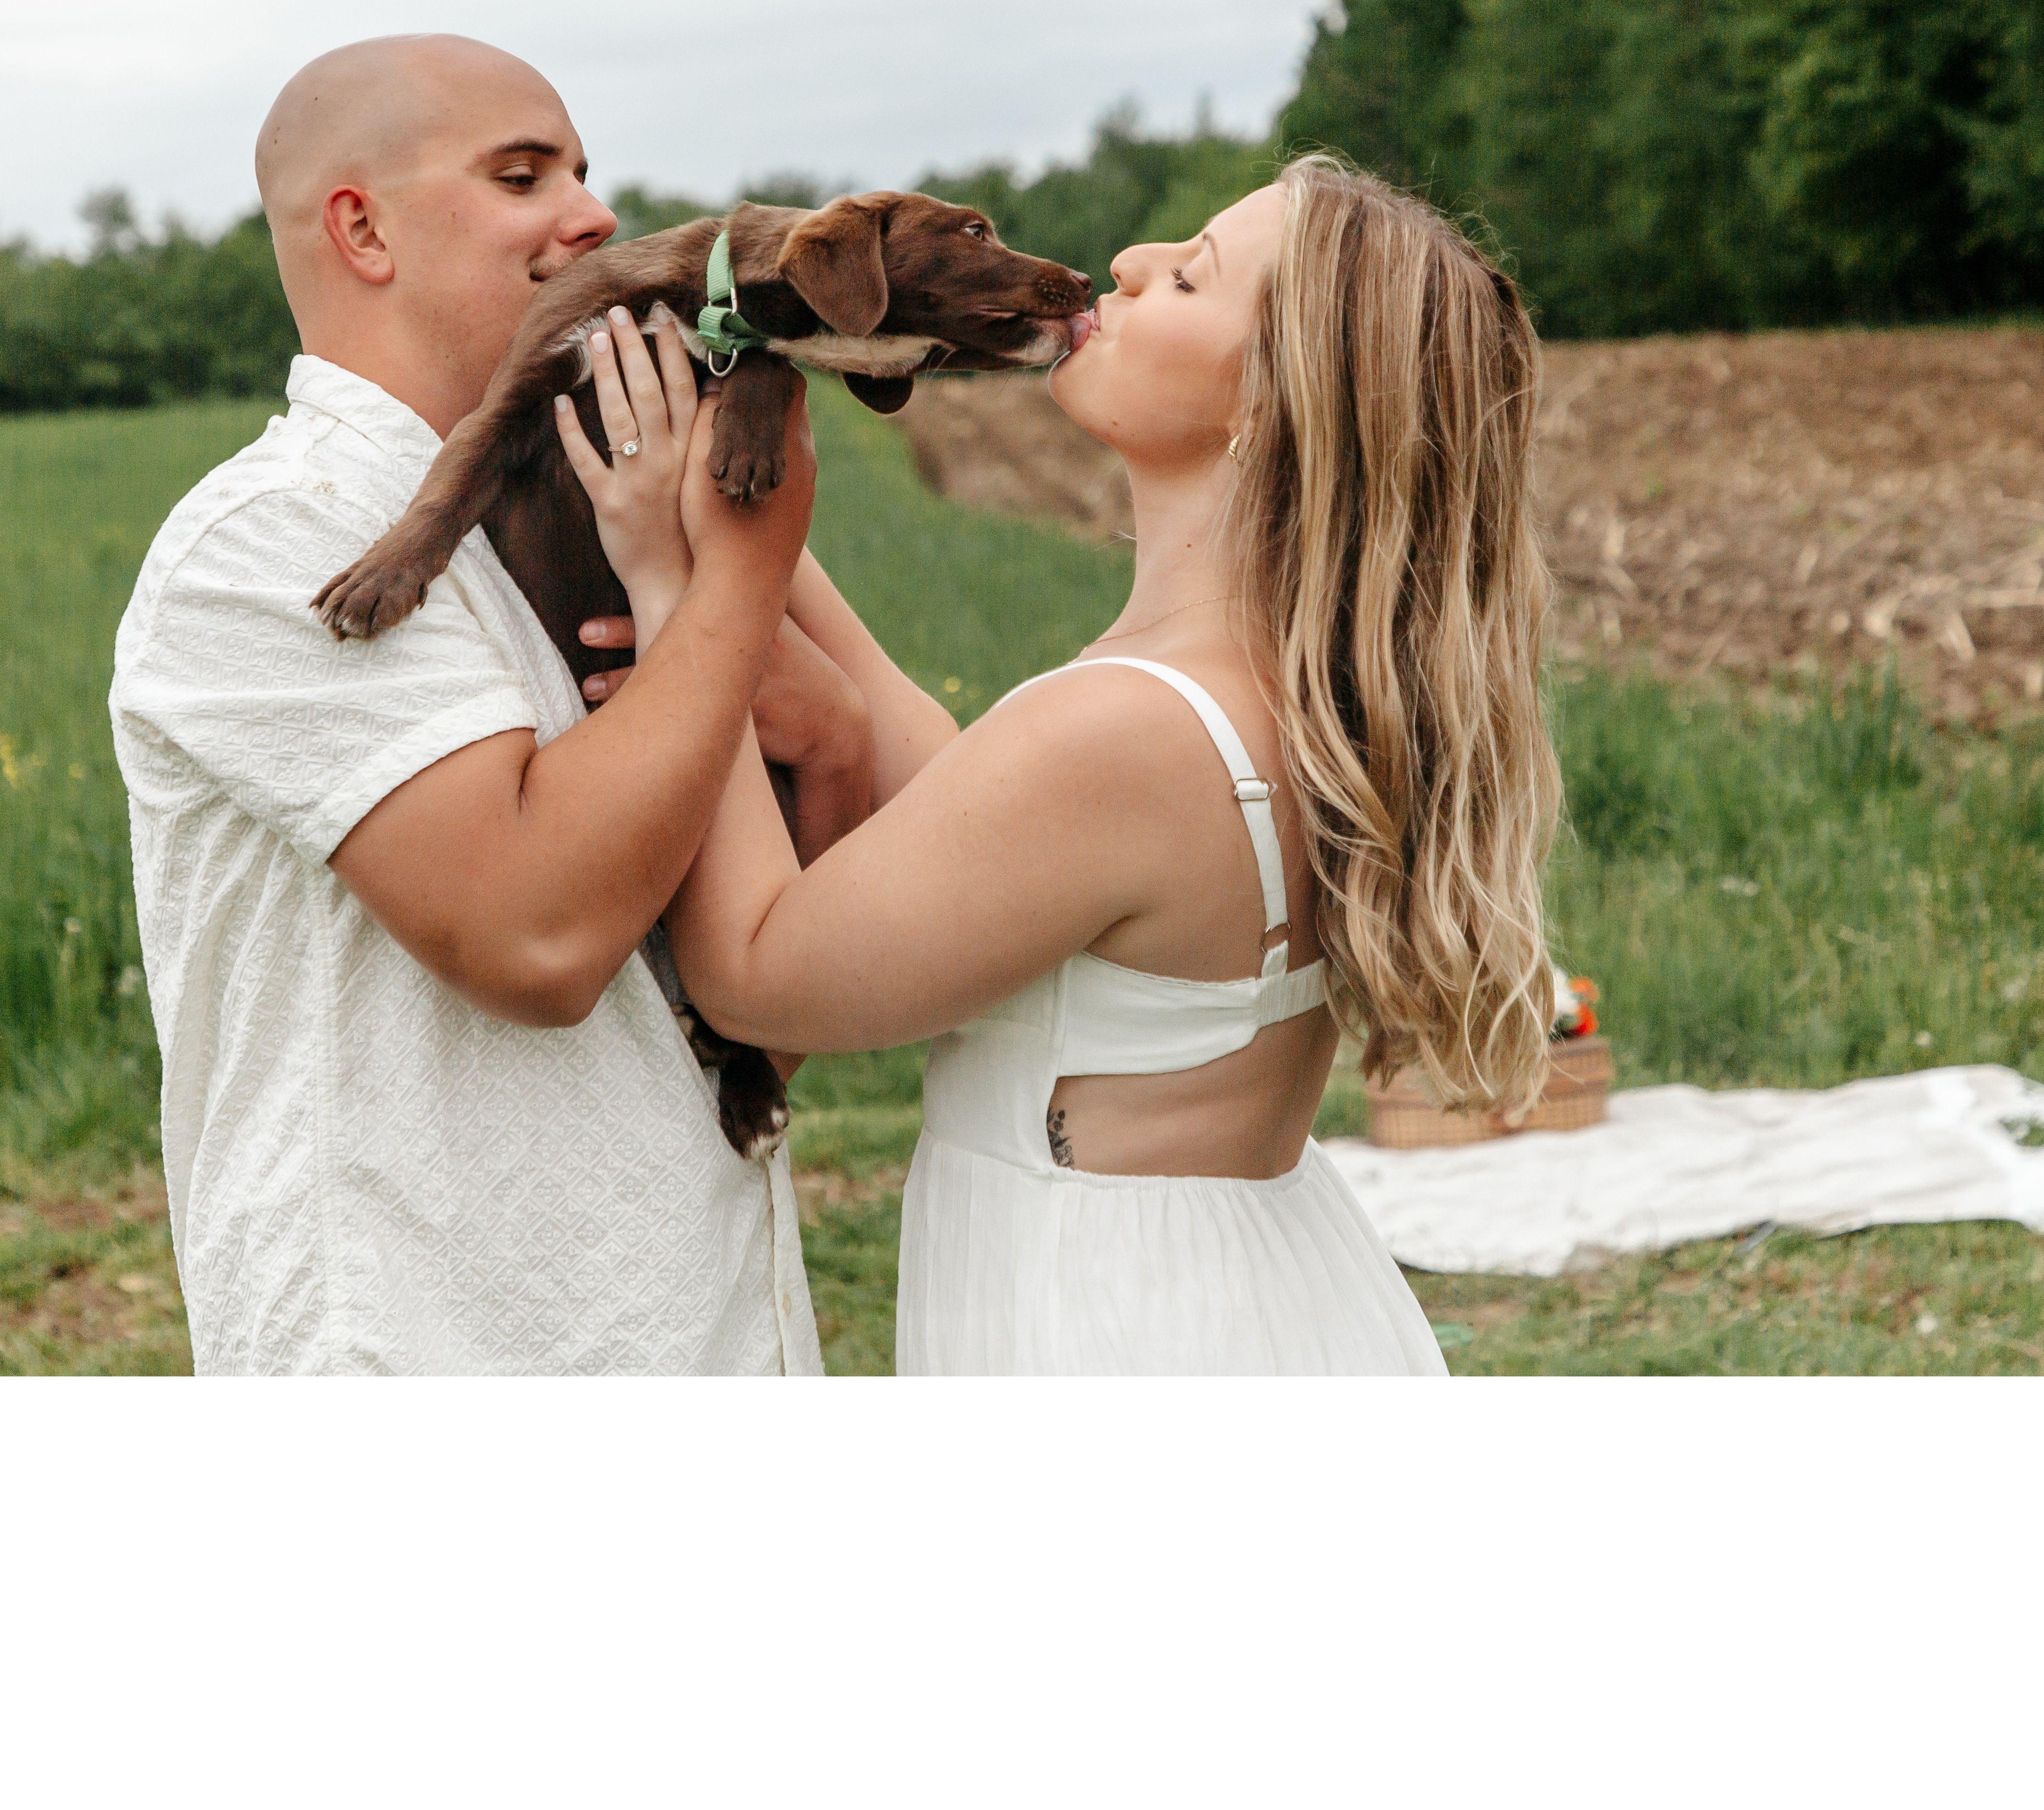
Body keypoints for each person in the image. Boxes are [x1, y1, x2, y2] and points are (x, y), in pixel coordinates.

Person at [653, 155, 1561, 1374]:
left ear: (1269, 404)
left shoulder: (1126, 734)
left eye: (1189, 277)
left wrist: (681, 595)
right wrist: (743, 518)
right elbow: (965, 806)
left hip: (1107, 1327)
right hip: (1243, 1298)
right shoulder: (1265, 690)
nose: (1128, 263)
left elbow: (757, 976)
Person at [108, 34, 869, 1374]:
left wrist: (834, 738)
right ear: (364, 230)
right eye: (523, 177)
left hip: (704, 1324)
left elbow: (772, 986)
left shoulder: (627, 494)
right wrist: (738, 584)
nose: (594, 215)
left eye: (582, 172)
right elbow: (537, 936)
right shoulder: (280, 537)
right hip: (444, 1347)